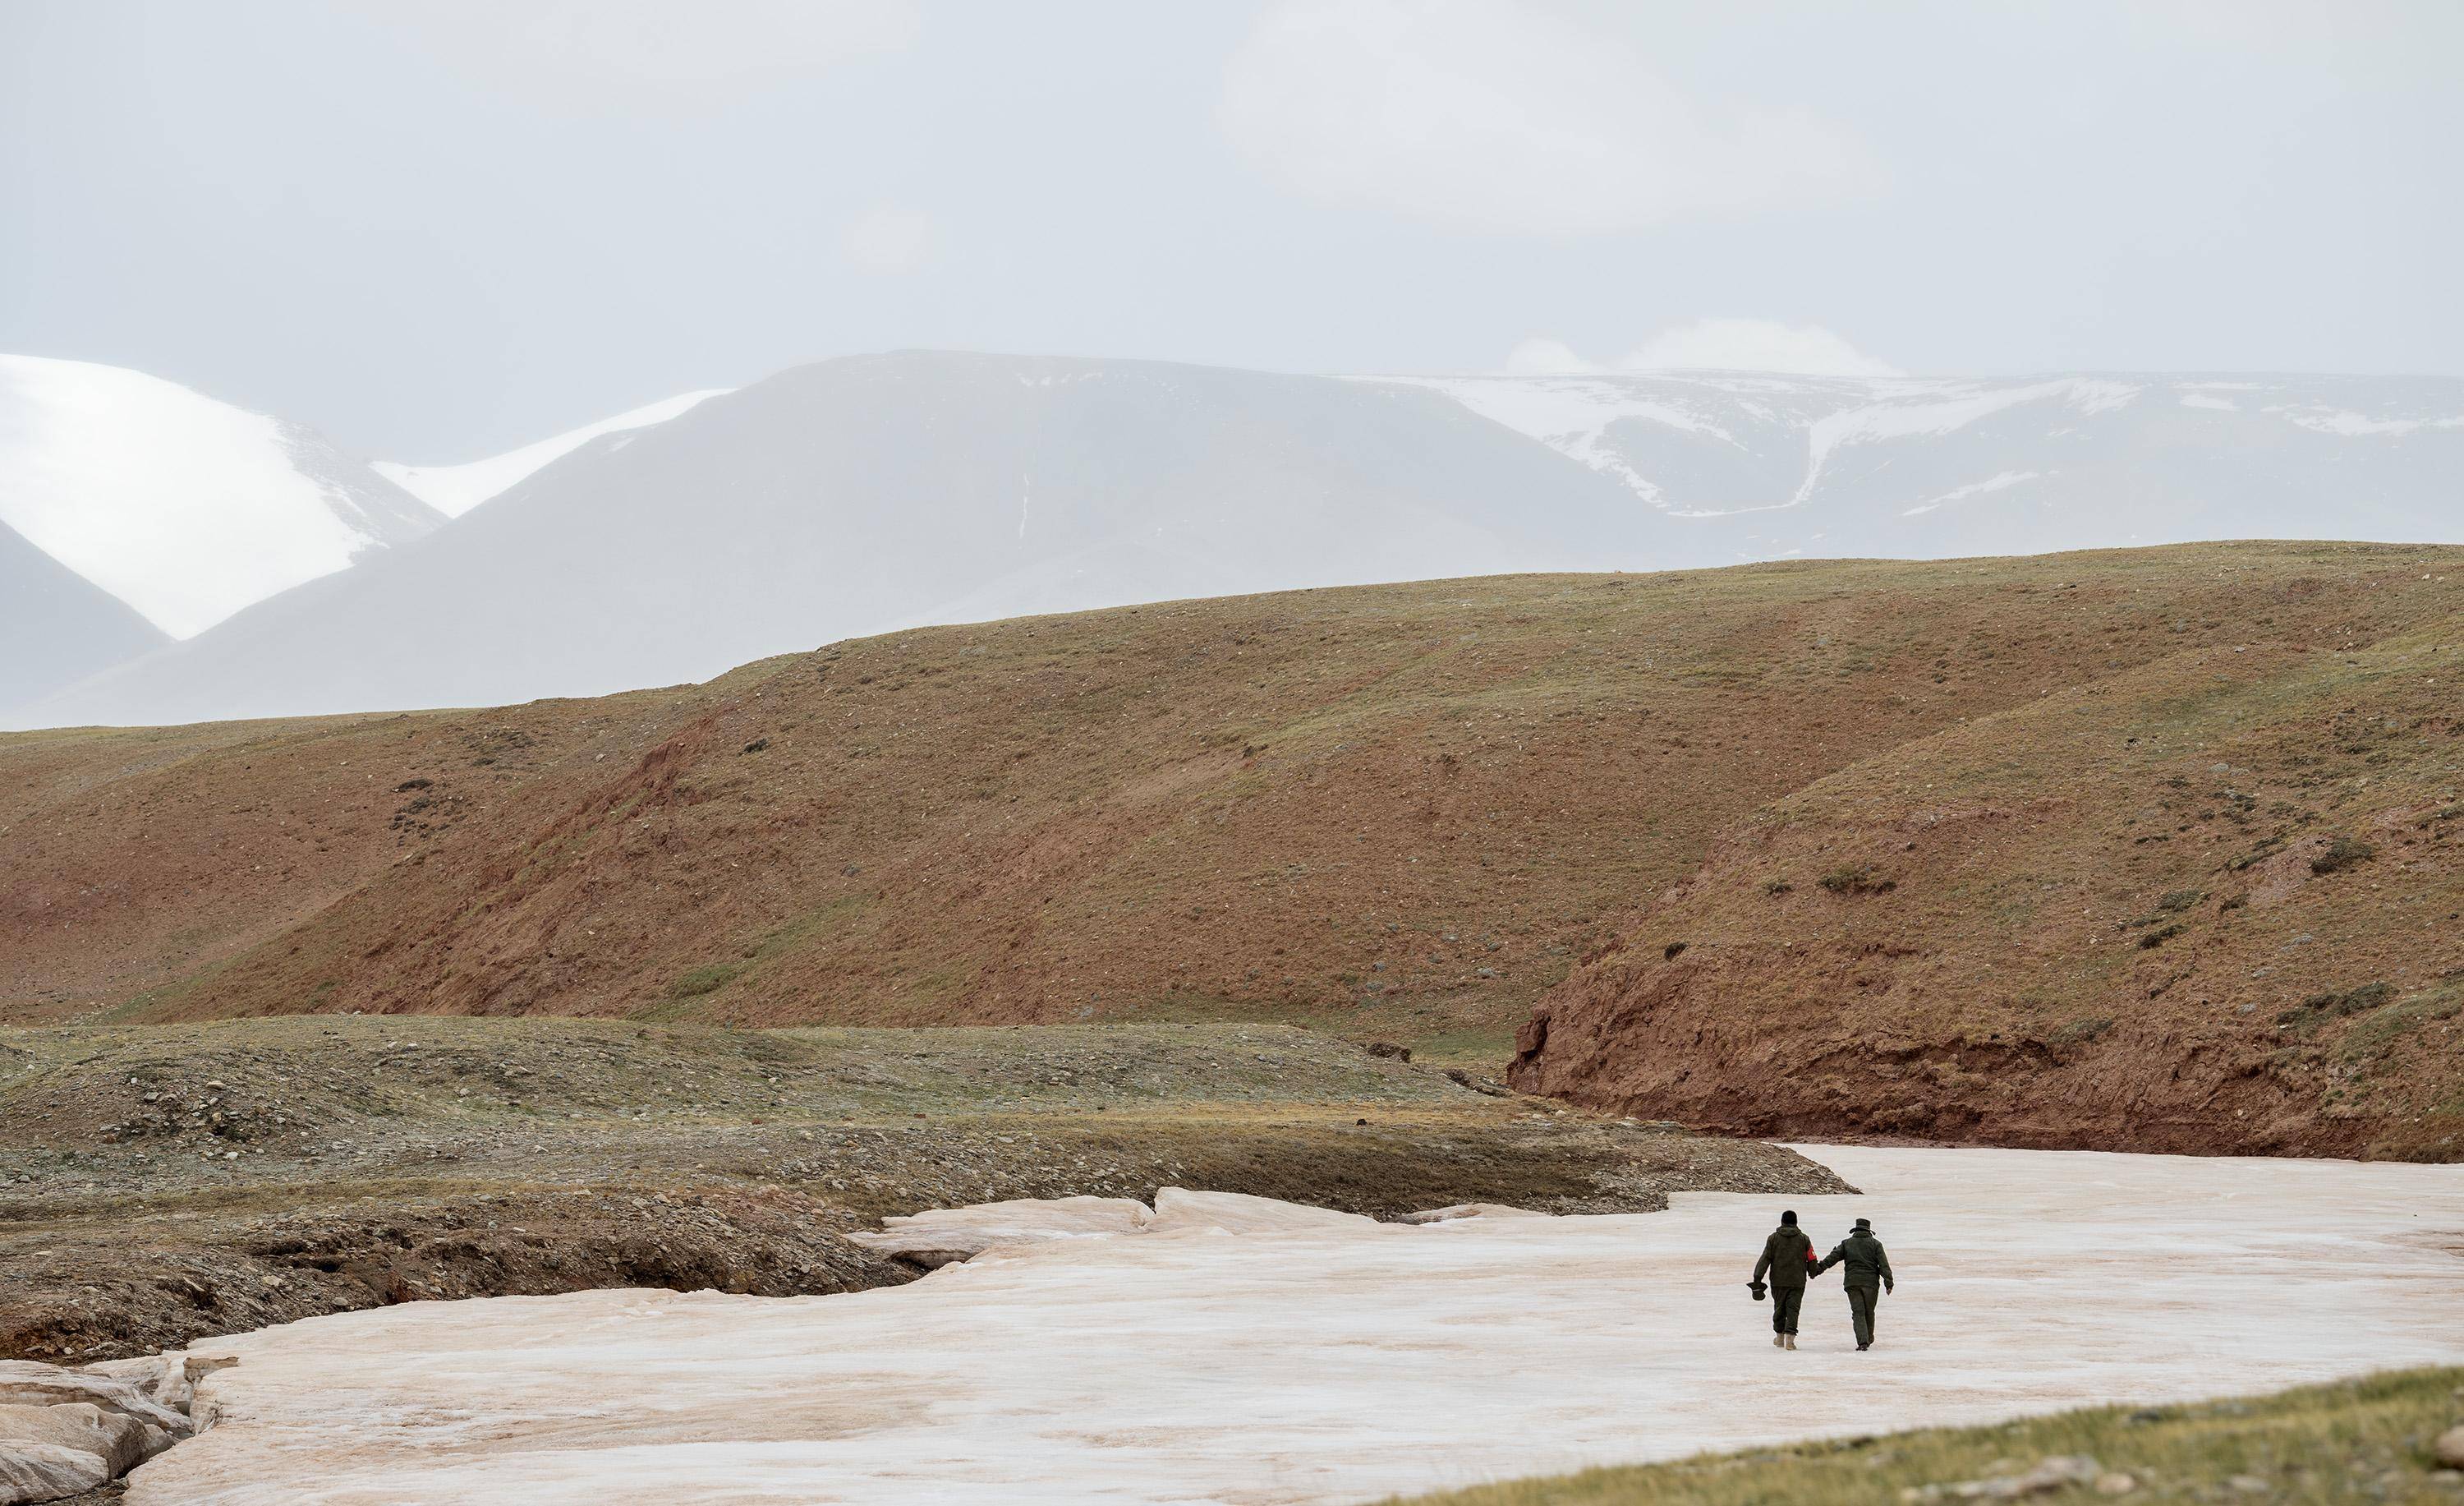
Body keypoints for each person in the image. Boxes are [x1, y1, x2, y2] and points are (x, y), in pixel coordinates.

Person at [1814, 1215, 1896, 1350]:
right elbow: (1884, 1265)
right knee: (1869, 1312)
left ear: (1855, 1230)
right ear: (1869, 1231)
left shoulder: (1847, 1244)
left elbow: (1832, 1258)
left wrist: (1819, 1268)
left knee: (1858, 1312)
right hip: (1871, 1284)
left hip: (1852, 1283)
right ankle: (1868, 1338)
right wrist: (1889, 1283)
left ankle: (1863, 1342)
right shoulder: (1876, 1244)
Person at [1747, 1209, 1816, 1349]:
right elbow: (1812, 1258)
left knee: (1779, 1308)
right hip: (1797, 1281)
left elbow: (1765, 1258)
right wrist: (1813, 1272)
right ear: (1796, 1222)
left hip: (1778, 1281)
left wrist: (1757, 1278)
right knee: (1793, 1309)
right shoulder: (1804, 1238)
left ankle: (1779, 1338)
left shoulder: (1773, 1238)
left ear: (1782, 1222)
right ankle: (1790, 1340)